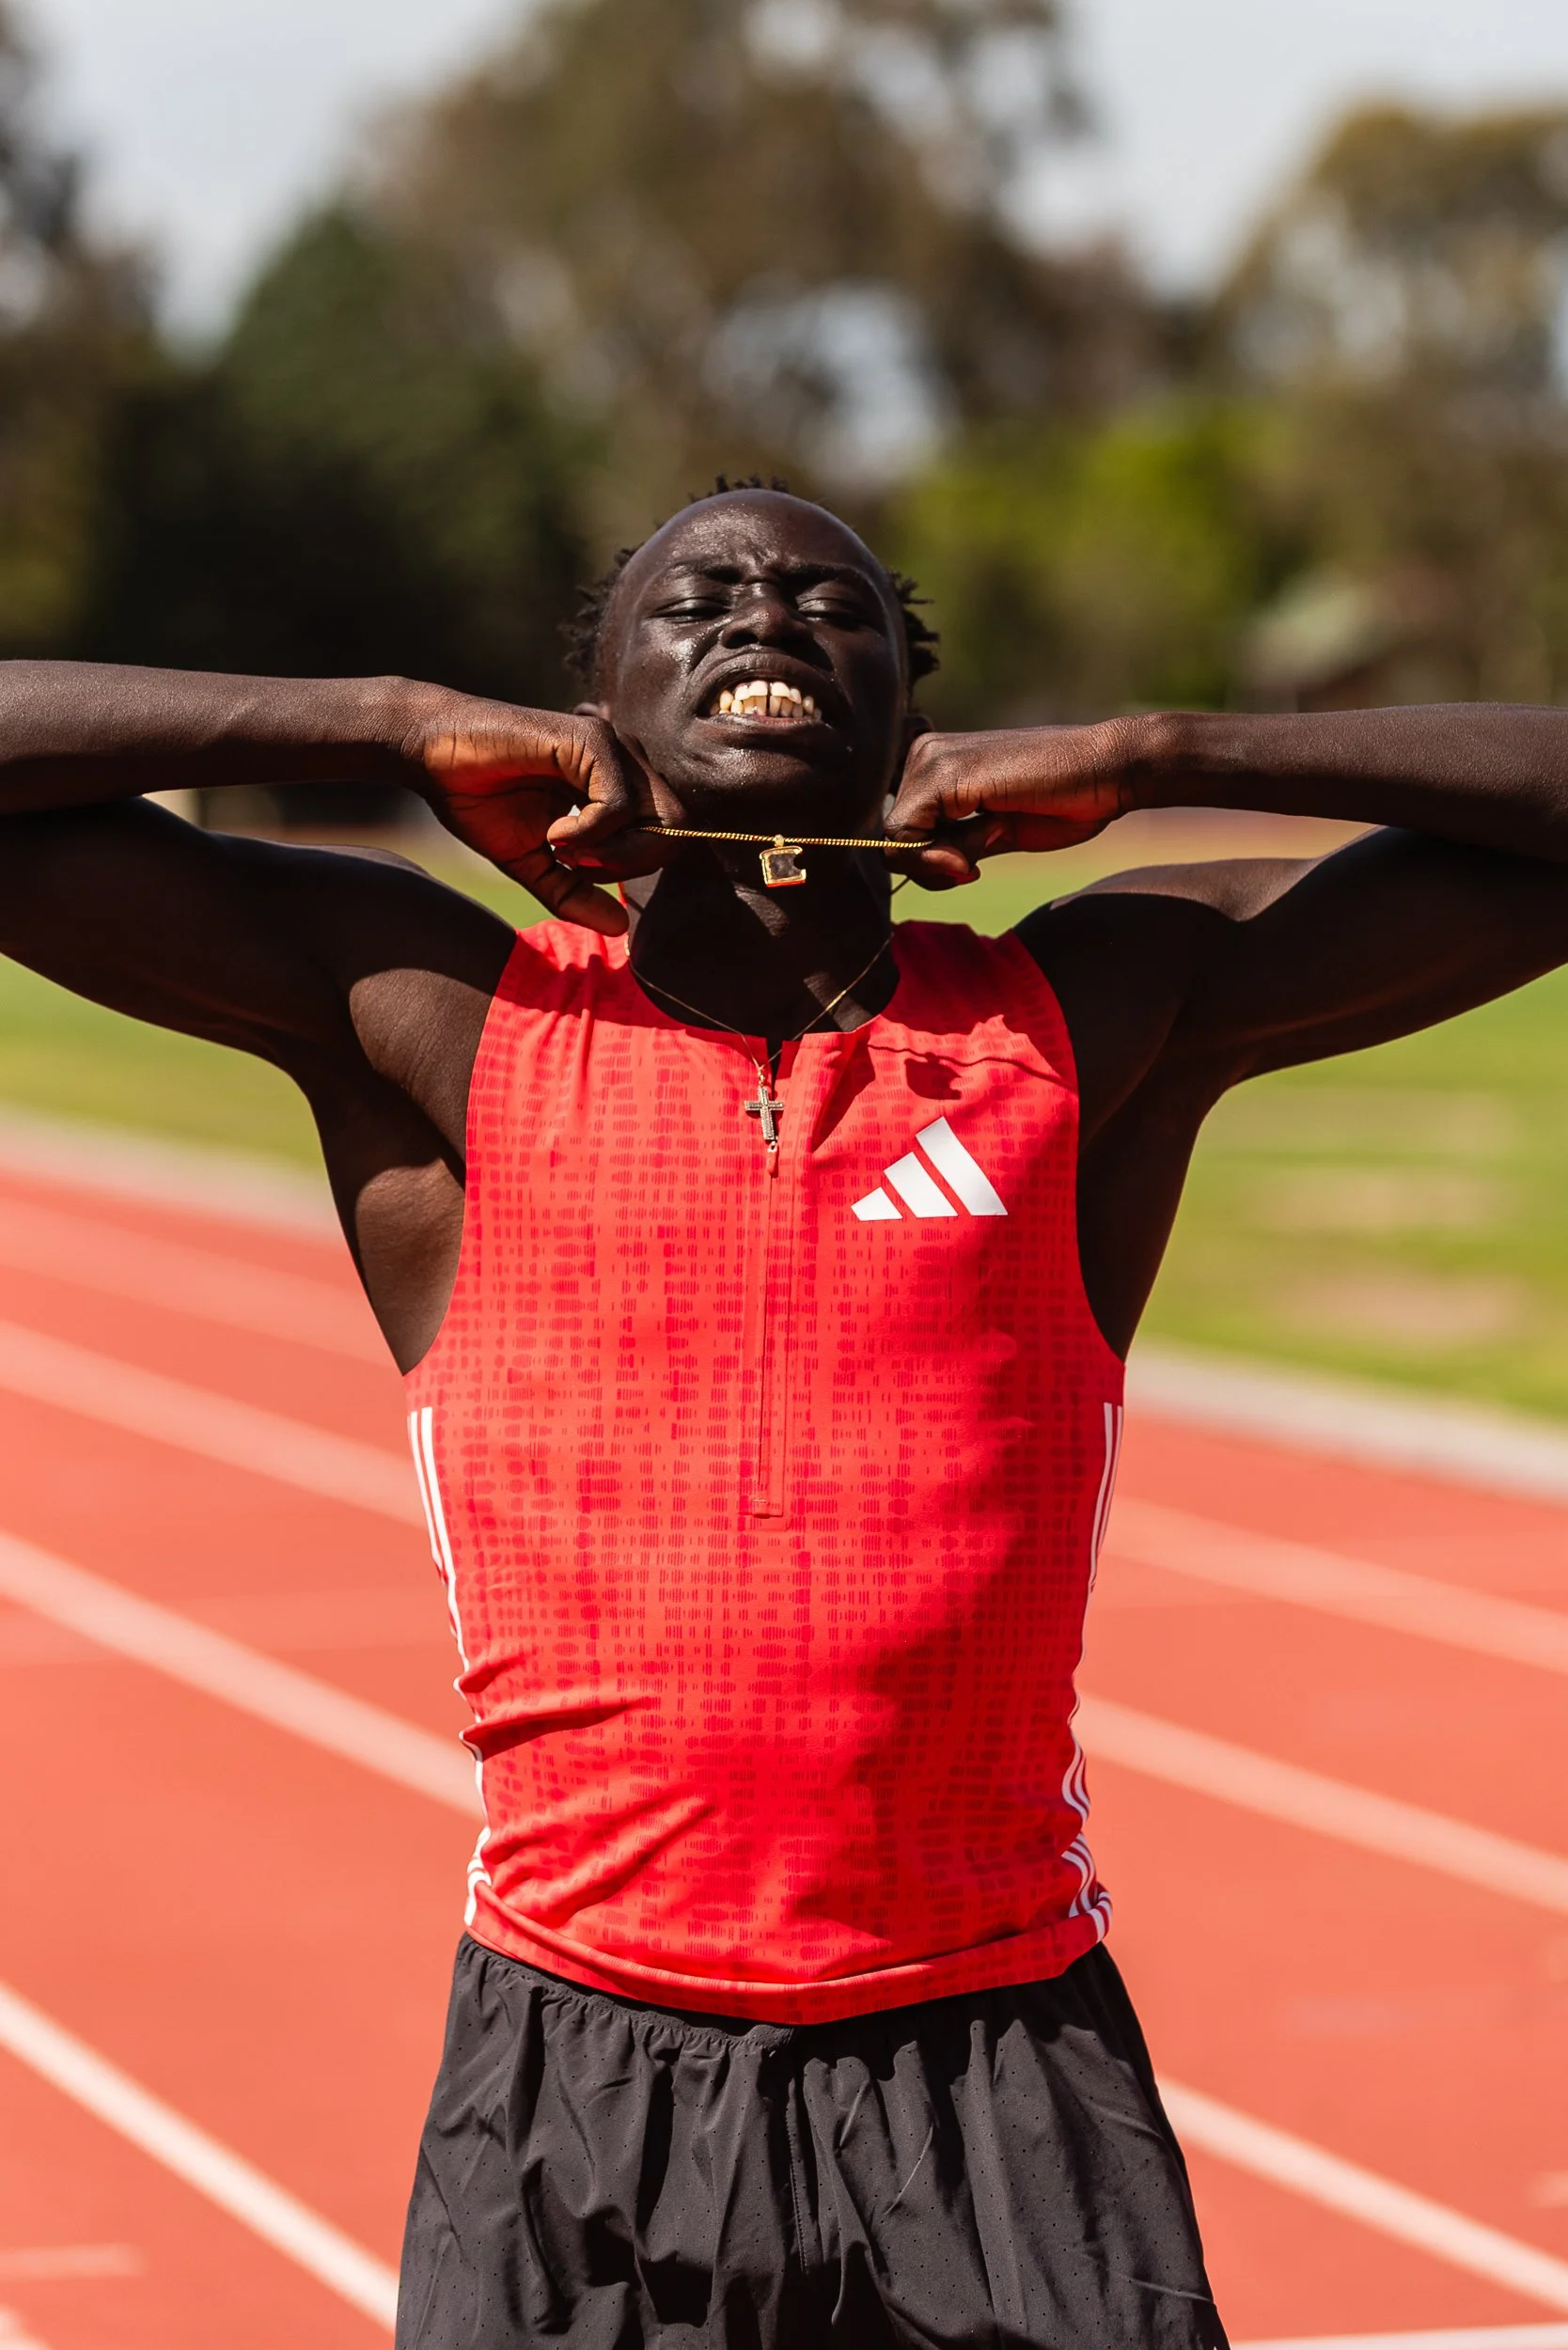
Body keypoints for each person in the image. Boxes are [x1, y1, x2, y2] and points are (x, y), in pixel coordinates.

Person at [5, 484, 1568, 2348]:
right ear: (595, 706)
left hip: (999, 2070)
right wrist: (382, 713)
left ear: (913, 718)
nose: (760, 616)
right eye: (697, 602)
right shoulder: (437, 1016)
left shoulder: (1094, 1009)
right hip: (575, 2084)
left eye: (829, 603)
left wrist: (1163, 750)